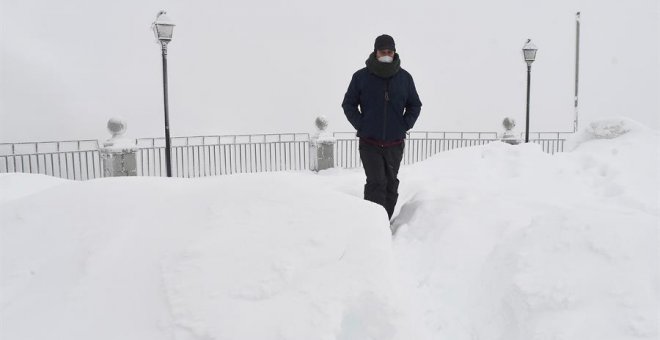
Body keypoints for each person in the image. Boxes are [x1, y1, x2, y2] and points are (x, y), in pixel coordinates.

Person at [342, 34, 422, 221]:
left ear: (394, 53)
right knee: (376, 183)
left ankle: (385, 220)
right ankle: (373, 224)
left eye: (390, 51)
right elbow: (348, 104)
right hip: (370, 142)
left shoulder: (405, 78)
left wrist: (405, 124)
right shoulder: (361, 77)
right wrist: (362, 124)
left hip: (395, 142)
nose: (386, 55)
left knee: (391, 184)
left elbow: (415, 105)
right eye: (382, 51)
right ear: (375, 52)